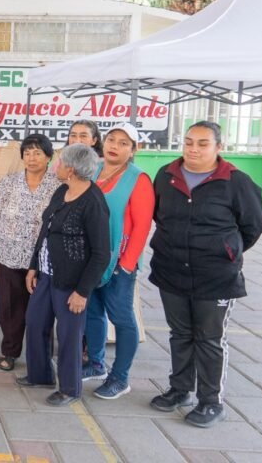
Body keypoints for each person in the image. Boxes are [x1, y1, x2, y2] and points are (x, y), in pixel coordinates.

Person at [149, 121, 262, 428]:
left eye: (202, 143)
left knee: (210, 339)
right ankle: (179, 389)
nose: (193, 149)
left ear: (218, 147)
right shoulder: (166, 175)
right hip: (171, 271)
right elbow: (158, 215)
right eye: (188, 142)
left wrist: (228, 250)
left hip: (215, 277)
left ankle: (211, 402)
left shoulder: (236, 182)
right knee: (180, 334)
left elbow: (253, 225)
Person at [17, 143, 110, 407]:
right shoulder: (61, 190)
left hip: (71, 283)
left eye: (59, 162)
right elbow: (45, 230)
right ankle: (40, 375)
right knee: (35, 323)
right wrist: (34, 265)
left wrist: (82, 292)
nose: (55, 165)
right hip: (46, 274)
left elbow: (101, 253)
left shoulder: (93, 203)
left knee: (69, 337)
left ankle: (70, 388)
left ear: (71, 169)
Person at [82, 123, 154, 399]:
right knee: (93, 312)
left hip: (119, 262)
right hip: (91, 260)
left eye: (124, 143)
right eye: (111, 139)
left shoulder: (138, 179)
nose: (114, 146)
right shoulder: (95, 169)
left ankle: (120, 377)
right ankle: (96, 364)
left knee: (122, 318)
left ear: (134, 149)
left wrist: (125, 265)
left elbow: (141, 226)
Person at [0, 134, 60, 372]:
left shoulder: (58, 186)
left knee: (41, 311)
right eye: (27, 153)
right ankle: (10, 351)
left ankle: (41, 357)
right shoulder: (9, 182)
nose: (32, 158)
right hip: (9, 255)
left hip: (43, 260)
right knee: (10, 307)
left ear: (48, 157)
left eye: (37, 153)